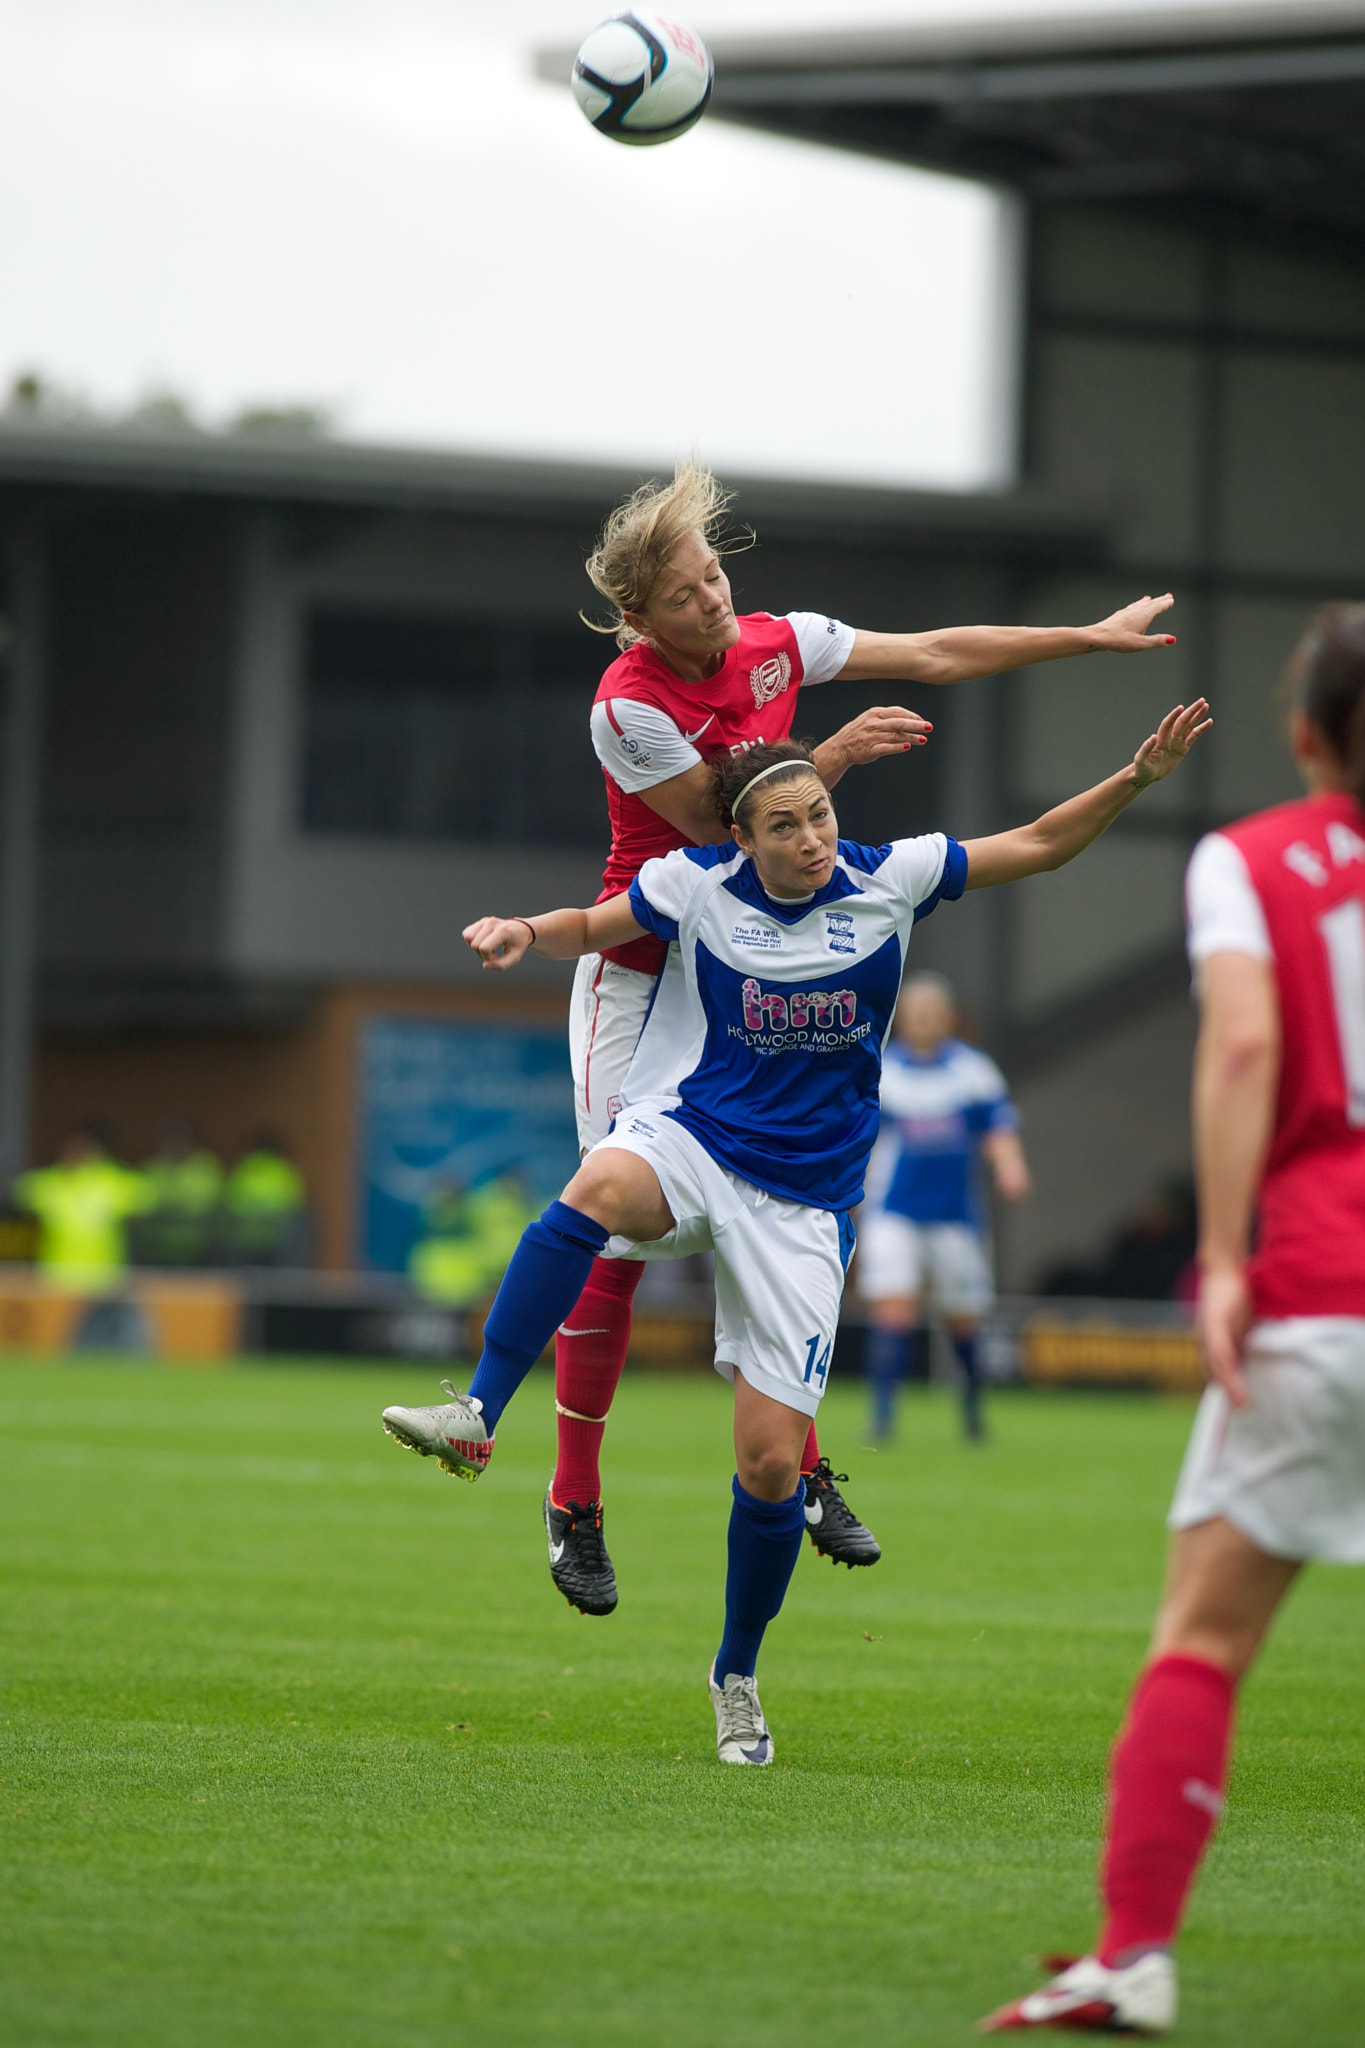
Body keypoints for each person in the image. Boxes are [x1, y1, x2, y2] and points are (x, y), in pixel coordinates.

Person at [381, 698, 1208, 1767]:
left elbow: (1041, 845)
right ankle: (478, 1413)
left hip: (803, 1204)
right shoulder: (697, 887)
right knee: (591, 1192)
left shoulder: (892, 876)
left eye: (818, 816)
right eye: (785, 826)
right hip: (698, 1140)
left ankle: (735, 1674)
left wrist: (1137, 774)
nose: (811, 838)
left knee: (772, 1466)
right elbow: (596, 924)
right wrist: (522, 933)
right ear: (744, 839)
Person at [547, 460, 1179, 1614]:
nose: (717, 599)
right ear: (641, 617)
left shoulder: (774, 640)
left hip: (740, 964)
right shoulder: (624, 701)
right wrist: (827, 761)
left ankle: (802, 1456)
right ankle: (573, 1498)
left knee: (780, 1189)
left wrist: (1088, 637)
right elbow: (719, 830)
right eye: (688, 593)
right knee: (610, 1222)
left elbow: (935, 650)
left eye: (716, 572)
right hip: (646, 967)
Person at [980, 606, 1365, 2035]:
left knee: (1201, 1639)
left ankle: (1133, 1955)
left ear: (1307, 733)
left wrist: (1216, 1258)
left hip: (1326, 1290)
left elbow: (1247, 1044)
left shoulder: (1247, 859)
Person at [859, 972, 1030, 1441]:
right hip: (894, 1211)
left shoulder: (972, 1070)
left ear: (948, 1018)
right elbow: (863, 1140)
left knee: (963, 1318)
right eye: (916, 1012)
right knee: (893, 1311)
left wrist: (1010, 1165)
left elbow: (998, 1125)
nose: (924, 1020)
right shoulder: (884, 1071)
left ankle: (973, 1413)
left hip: (956, 1215)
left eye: (933, 1012)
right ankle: (882, 1419)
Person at [14, 1125, 151, 1290]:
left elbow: (147, 1195)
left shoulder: (112, 1181)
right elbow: (20, 1191)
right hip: (56, 1279)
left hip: (103, 1282)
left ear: (97, 1151)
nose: (78, 1152)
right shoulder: (51, 1182)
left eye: (85, 1146)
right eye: (73, 1146)